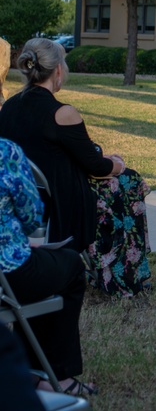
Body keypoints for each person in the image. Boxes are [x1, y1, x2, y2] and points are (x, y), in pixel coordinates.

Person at [0, 38, 150, 297]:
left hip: (25, 197)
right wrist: (116, 164)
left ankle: (112, 270)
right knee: (128, 181)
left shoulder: (9, 106)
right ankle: (124, 277)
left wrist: (99, 156)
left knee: (121, 181)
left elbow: (58, 150)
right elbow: (95, 166)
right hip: (61, 202)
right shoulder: (62, 112)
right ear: (57, 70)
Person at [0, 137, 92, 397]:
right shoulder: (5, 151)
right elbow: (32, 217)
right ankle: (56, 375)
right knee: (71, 265)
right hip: (8, 271)